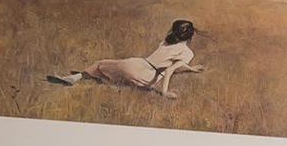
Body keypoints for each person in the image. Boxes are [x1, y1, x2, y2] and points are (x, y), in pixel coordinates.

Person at [48, 20, 205, 99]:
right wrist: (165, 93)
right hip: (146, 76)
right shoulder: (187, 53)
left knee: (100, 64)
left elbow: (169, 64)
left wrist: (191, 69)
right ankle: (96, 79)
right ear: (191, 36)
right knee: (114, 80)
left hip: (135, 63)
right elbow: (170, 70)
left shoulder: (165, 42)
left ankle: (73, 78)